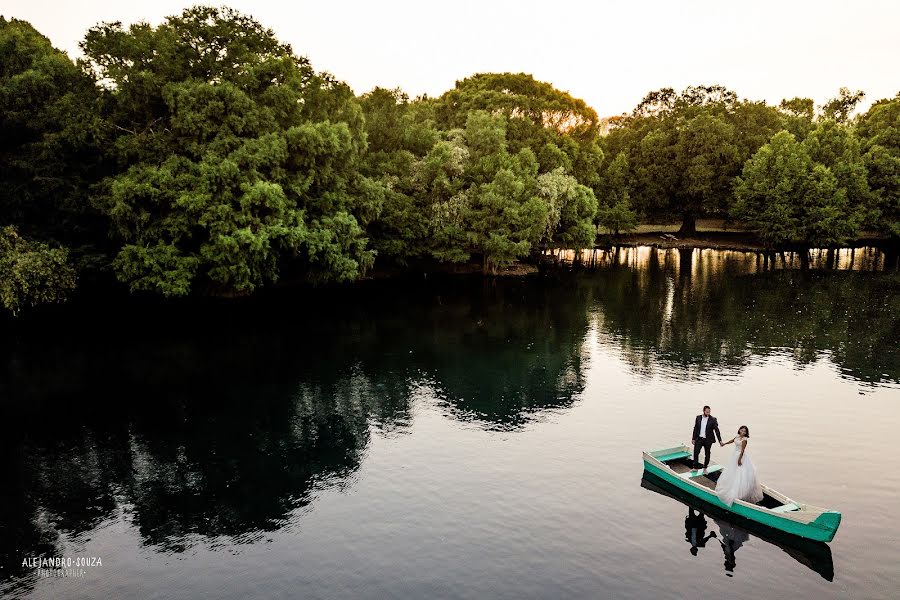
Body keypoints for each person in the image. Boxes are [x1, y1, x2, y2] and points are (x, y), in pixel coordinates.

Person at [716, 426, 764, 506]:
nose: (742, 431)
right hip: (734, 455)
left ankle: (739, 492)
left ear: (746, 432)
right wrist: (724, 443)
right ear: (739, 430)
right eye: (741, 430)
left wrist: (739, 459)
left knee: (739, 473)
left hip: (739, 456)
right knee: (732, 471)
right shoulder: (737, 436)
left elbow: (742, 451)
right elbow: (732, 440)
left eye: (744, 431)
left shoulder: (744, 440)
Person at [691, 406, 722, 471]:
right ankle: (695, 468)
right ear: (704, 411)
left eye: (709, 412)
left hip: (708, 440)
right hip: (699, 438)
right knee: (696, 452)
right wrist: (693, 438)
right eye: (707, 412)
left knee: (707, 454)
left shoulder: (713, 419)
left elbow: (717, 430)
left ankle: (705, 467)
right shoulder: (698, 418)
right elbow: (695, 428)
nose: (708, 413)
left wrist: (720, 440)